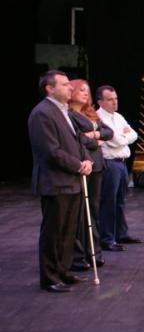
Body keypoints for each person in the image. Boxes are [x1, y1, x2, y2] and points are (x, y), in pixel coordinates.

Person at [28, 70, 92, 292]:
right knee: (53, 231)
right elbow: (51, 151)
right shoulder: (42, 113)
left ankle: (63, 271)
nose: (70, 88)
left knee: (68, 231)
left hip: (71, 181)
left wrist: (86, 160)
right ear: (50, 88)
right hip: (55, 182)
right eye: (65, 85)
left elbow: (78, 141)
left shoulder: (65, 112)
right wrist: (77, 164)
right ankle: (50, 277)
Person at [68, 79, 112, 271]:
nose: (85, 93)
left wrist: (93, 134)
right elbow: (78, 140)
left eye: (87, 90)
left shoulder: (90, 113)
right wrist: (96, 138)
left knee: (93, 211)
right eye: (81, 90)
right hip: (83, 164)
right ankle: (80, 254)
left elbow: (108, 133)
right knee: (80, 213)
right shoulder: (69, 114)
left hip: (96, 166)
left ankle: (93, 250)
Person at [96, 84, 142, 251]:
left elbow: (134, 135)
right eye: (110, 99)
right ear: (100, 102)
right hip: (110, 164)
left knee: (120, 201)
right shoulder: (98, 118)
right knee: (108, 201)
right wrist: (124, 136)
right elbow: (116, 140)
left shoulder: (119, 117)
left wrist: (123, 136)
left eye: (115, 99)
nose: (114, 102)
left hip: (122, 162)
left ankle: (120, 233)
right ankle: (107, 238)